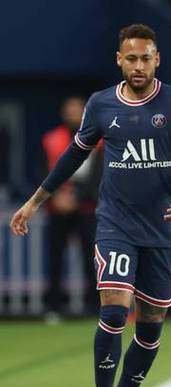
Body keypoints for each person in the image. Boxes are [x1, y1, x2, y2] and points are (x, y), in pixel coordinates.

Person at [9, 24, 171, 387]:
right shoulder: (101, 104)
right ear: (119, 60)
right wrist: (34, 202)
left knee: (151, 325)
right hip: (115, 224)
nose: (138, 65)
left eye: (146, 58)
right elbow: (73, 156)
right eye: (131, 58)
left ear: (157, 60)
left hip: (161, 230)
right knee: (115, 310)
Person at [41, 96, 101, 315]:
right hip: (57, 208)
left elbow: (98, 175)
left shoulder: (97, 140)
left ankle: (93, 306)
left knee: (90, 258)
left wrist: (78, 197)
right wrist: (56, 196)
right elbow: (43, 172)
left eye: (77, 109)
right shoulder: (51, 139)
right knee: (55, 258)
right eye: (70, 109)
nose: (73, 113)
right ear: (63, 113)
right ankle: (53, 307)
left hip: (85, 208)